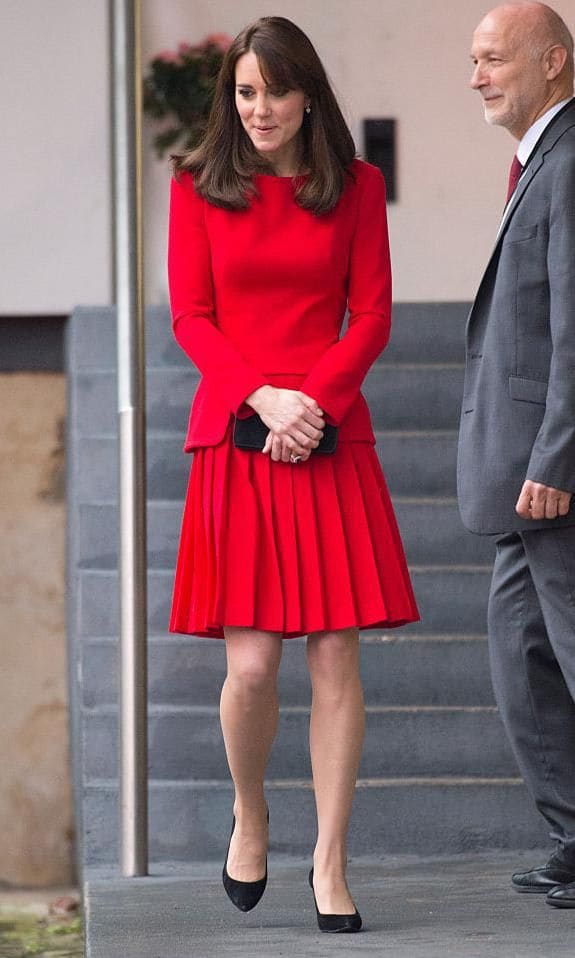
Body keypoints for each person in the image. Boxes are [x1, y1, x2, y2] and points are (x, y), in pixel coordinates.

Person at [167, 15, 418, 933]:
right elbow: (191, 317)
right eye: (244, 92)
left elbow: (372, 315)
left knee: (336, 654)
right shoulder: (196, 188)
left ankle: (329, 858)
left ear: (307, 92)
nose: (259, 108)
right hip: (239, 435)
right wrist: (266, 403)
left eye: (274, 90)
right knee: (251, 664)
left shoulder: (354, 186)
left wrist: (311, 404)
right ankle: (251, 811)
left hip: (331, 430)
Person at [458, 1, 575, 908]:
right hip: (516, 471)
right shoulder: (542, 158)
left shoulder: (572, 161)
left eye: (493, 58)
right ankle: (573, 833)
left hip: (551, 474)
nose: (476, 75)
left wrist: (558, 457)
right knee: (517, 658)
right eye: (474, 59)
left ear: (553, 60)